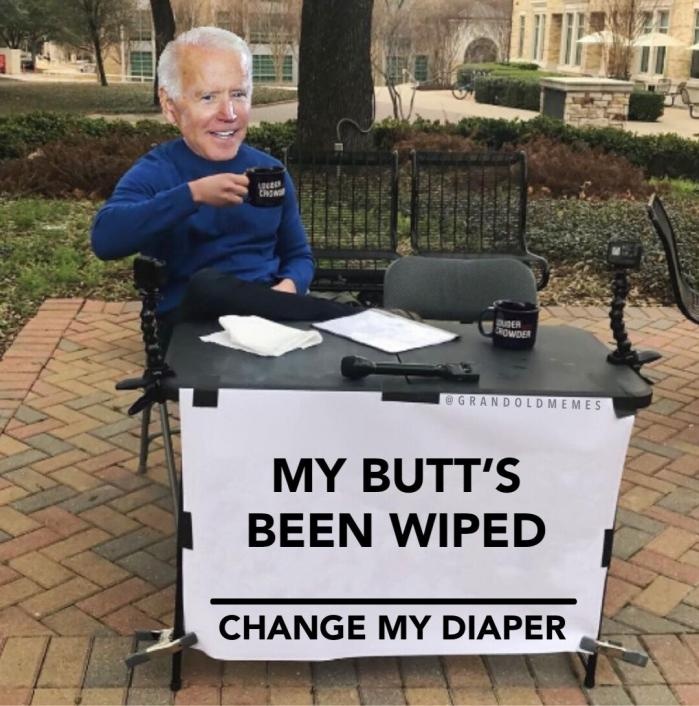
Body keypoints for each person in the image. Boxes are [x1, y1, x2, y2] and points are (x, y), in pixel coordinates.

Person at [91, 26, 357, 344]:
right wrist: (193, 195)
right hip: (193, 328)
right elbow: (105, 239)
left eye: (238, 95)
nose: (228, 113)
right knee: (208, 286)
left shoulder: (269, 172)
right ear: (170, 106)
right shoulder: (157, 172)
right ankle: (352, 318)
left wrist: (286, 291)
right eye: (208, 97)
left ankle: (353, 322)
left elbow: (299, 255)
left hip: (271, 320)